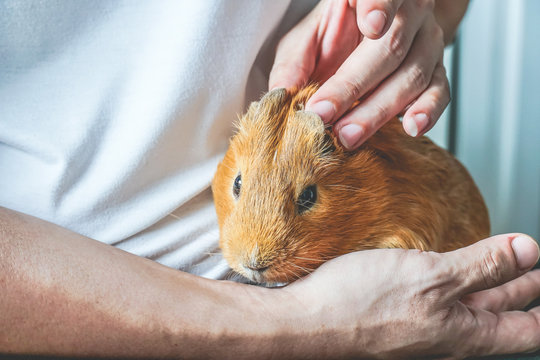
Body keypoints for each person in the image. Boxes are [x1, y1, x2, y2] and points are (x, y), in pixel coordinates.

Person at [1, 0, 539, 358]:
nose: (256, 252)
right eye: (240, 187)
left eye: (307, 198)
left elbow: (443, 10)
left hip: (392, 317)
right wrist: (300, 324)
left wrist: (399, 21)